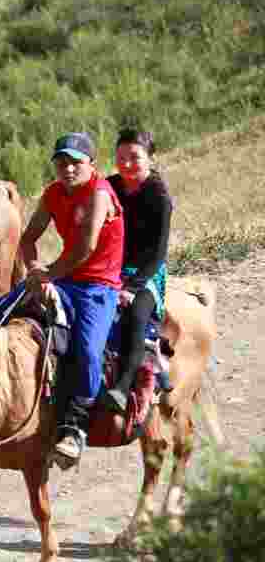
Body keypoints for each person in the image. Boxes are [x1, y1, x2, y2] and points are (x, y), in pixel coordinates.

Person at [17, 132, 124, 468]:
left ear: (92, 164)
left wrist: (48, 275)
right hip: (65, 278)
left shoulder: (100, 193)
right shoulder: (53, 193)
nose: (68, 169)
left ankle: (75, 427)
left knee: (88, 350)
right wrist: (35, 270)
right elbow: (27, 239)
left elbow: (86, 247)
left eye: (75, 162)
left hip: (98, 286)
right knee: (5, 308)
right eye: (61, 162)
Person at [103, 129, 173, 412]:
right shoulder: (109, 187)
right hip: (110, 266)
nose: (127, 164)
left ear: (150, 158)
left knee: (136, 314)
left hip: (145, 272)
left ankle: (123, 386)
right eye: (121, 157)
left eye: (134, 157)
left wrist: (132, 287)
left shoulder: (159, 196)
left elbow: (158, 252)